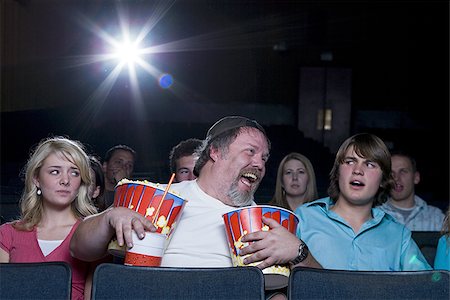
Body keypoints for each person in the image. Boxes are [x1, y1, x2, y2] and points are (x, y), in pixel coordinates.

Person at [70, 116, 320, 300]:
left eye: (264, 158)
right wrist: (110, 216)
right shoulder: (161, 198)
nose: (259, 164)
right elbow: (79, 248)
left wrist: (299, 253)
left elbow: (322, 288)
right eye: (250, 152)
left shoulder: (265, 221)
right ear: (215, 152)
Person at [242, 133, 431, 271]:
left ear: (383, 180)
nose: (358, 170)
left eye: (370, 164)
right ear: (338, 172)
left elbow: (429, 287)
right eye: (350, 162)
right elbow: (272, 281)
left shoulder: (398, 236)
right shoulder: (303, 219)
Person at [0, 136, 98, 300]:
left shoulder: (93, 235)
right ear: (36, 179)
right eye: (55, 171)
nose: (65, 180)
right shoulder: (7, 234)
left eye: (74, 173)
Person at [378, 151, 445, 231]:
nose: (396, 178)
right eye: (391, 173)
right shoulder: (375, 216)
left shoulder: (436, 217)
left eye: (403, 171)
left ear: (416, 177)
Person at [97, 144, 136, 211]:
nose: (124, 168)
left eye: (129, 165)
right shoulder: (94, 192)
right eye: (118, 162)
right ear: (105, 166)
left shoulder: (133, 196)